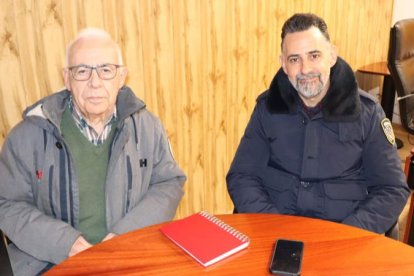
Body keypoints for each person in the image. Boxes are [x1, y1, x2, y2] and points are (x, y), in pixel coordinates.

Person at [0, 28, 186, 275]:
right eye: (82, 71)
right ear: (67, 78)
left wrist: (123, 237)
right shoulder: (26, 136)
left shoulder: (148, 126)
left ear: (121, 77)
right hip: (52, 261)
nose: (95, 82)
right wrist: (66, 244)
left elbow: (169, 183)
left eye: (106, 70)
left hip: (131, 254)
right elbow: (7, 203)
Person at [227, 13, 410, 235]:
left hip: (343, 237)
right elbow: (242, 177)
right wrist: (272, 228)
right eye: (294, 59)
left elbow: (391, 189)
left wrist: (347, 235)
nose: (305, 69)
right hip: (274, 234)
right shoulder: (267, 108)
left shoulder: (368, 113)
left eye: (314, 56)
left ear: (332, 56)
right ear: (284, 64)